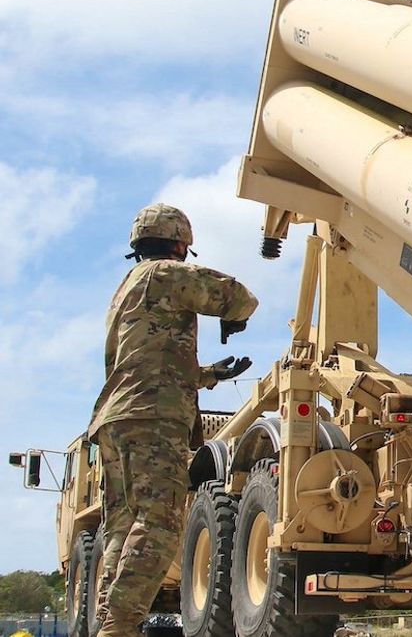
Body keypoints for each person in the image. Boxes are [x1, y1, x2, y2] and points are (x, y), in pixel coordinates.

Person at [87, 203, 259, 637]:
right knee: (161, 525)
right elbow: (238, 296)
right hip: (153, 417)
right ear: (181, 243)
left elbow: (148, 361)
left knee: (122, 529)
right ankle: (119, 628)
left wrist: (209, 375)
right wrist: (235, 317)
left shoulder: (128, 286)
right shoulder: (165, 273)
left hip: (118, 417)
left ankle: (110, 622)